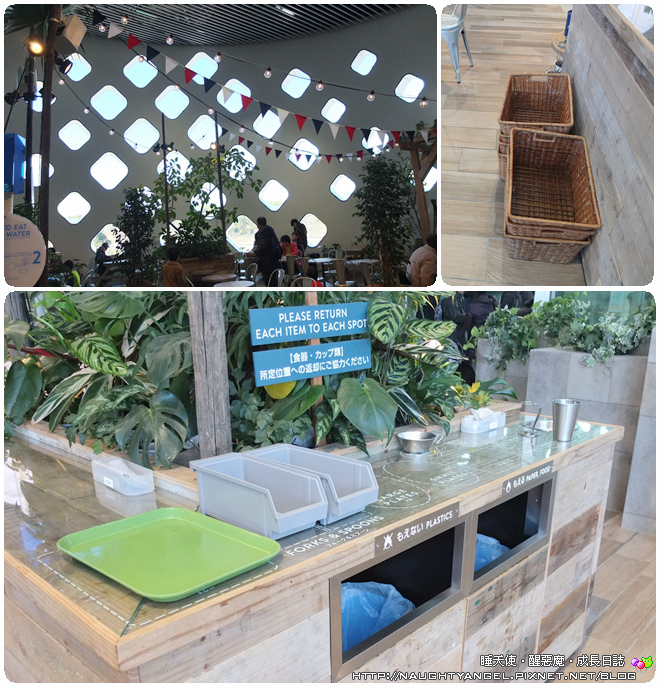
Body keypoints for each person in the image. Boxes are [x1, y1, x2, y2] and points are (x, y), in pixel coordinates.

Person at [253, 216, 282, 286]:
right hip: (274, 260)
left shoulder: (262, 233)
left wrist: (256, 250)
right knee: (273, 280)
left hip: (266, 262)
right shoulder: (271, 231)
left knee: (268, 281)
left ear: (258, 224)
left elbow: (263, 248)